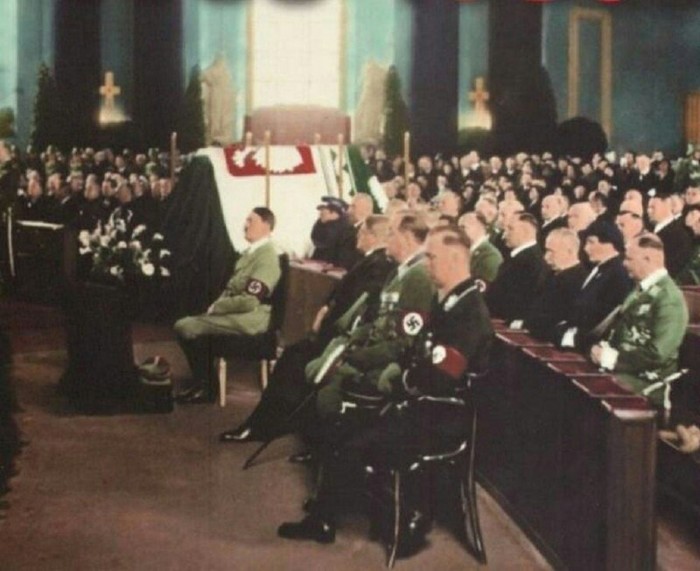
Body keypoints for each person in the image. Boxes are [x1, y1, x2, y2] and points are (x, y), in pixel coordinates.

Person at [277, 225, 493, 548]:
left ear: (453, 259)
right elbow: (418, 352)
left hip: (437, 419)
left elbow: (441, 379)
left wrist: (399, 381)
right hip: (423, 406)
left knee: (349, 436)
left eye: (432, 257)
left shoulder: (469, 313)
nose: (427, 263)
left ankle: (364, 516)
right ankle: (328, 508)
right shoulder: (452, 302)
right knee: (342, 424)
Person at [219, 215, 396, 442]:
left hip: (340, 338)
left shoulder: (377, 265)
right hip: (333, 333)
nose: (356, 239)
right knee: (293, 358)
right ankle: (271, 423)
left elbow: (352, 305)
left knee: (293, 360)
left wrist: (324, 317)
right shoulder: (370, 261)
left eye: (360, 234)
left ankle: (263, 426)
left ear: (371, 236)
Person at [307, 211, 435, 419]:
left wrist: (357, 357)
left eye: (391, 233)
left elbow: (404, 342)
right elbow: (381, 321)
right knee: (318, 369)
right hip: (374, 351)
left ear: (408, 238)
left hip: (386, 363)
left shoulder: (419, 276)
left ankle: (329, 446)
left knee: (329, 382)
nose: (386, 240)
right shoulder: (399, 272)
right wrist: (355, 337)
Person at [174, 207, 281, 404]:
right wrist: (218, 304)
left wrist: (218, 308)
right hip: (239, 313)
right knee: (190, 324)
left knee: (185, 326)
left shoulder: (267, 257)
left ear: (266, 226)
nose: (245, 225)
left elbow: (250, 300)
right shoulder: (251, 254)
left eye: (251, 221)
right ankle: (204, 383)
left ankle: (206, 387)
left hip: (252, 318)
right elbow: (233, 288)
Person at [590, 234, 688, 406]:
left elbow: (658, 354)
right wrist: (603, 349)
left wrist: (614, 359)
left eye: (629, 258)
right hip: (625, 371)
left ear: (648, 259)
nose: (624, 263)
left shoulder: (669, 298)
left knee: (593, 391)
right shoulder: (640, 289)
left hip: (649, 382)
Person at [557, 219, 633, 349]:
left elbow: (604, 319)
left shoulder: (618, 274)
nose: (586, 249)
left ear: (609, 244)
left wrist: (572, 337)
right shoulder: (601, 269)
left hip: (587, 345)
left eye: (591, 242)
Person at [524, 228, 588, 342]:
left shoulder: (579, 281)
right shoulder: (550, 274)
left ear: (570, 251)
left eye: (551, 251)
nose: (546, 257)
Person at [486, 212, 549, 322]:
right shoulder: (519, 258)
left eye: (510, 229)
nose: (504, 235)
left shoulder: (530, 263)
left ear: (526, 231)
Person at [647, 193, 693, 278]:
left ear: (667, 205)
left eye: (653, 207)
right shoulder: (650, 232)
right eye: (648, 208)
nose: (649, 211)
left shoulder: (679, 235)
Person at [310, 196, 360, 270]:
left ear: (334, 213)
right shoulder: (323, 226)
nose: (320, 214)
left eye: (323, 211)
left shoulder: (348, 233)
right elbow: (317, 239)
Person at [458, 211, 503, 285]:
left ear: (480, 226)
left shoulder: (490, 255)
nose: (459, 231)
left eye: (463, 227)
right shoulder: (465, 251)